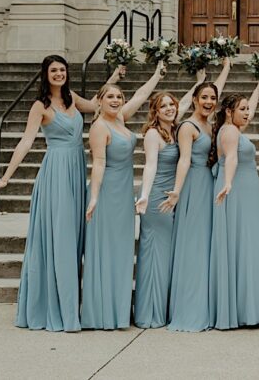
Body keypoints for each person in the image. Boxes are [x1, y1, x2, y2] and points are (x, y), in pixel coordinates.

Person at [0, 54, 121, 332]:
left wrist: (116, 74)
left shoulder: (72, 99)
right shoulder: (40, 106)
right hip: (56, 173)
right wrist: (6, 177)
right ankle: (60, 311)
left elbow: (97, 105)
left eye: (62, 69)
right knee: (61, 239)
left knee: (75, 239)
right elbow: (26, 141)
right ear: (45, 74)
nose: (59, 74)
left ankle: (72, 304)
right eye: (54, 70)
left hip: (76, 170)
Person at [80, 64, 165, 330]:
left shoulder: (120, 119)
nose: (116, 100)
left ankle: (117, 311)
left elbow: (140, 97)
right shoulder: (99, 127)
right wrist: (93, 198)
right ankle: (101, 313)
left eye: (119, 97)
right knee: (105, 249)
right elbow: (99, 163)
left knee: (122, 250)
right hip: (106, 193)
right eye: (110, 97)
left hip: (124, 190)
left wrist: (157, 75)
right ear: (100, 102)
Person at [208, 81, 259, 330]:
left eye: (248, 109)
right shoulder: (230, 132)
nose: (248, 113)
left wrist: (258, 89)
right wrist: (227, 183)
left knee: (249, 242)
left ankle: (249, 305)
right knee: (244, 243)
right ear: (229, 111)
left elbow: (252, 108)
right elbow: (232, 158)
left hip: (244, 190)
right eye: (243, 109)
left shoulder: (232, 128)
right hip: (235, 190)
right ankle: (245, 308)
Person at [164, 80, 221, 332]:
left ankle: (208, 304)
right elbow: (184, 160)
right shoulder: (188, 126)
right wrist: (176, 191)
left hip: (209, 184)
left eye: (212, 98)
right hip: (194, 186)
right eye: (204, 97)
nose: (209, 102)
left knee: (207, 243)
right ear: (195, 99)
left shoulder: (211, 125)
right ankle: (190, 308)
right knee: (195, 244)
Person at [132, 90, 180, 328]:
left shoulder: (175, 130)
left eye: (172, 104)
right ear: (155, 111)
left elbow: (194, 97)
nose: (169, 108)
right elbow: (150, 166)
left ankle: (163, 307)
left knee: (166, 255)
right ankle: (149, 313)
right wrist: (144, 196)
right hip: (156, 200)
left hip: (172, 197)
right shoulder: (152, 134)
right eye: (164, 106)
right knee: (154, 255)